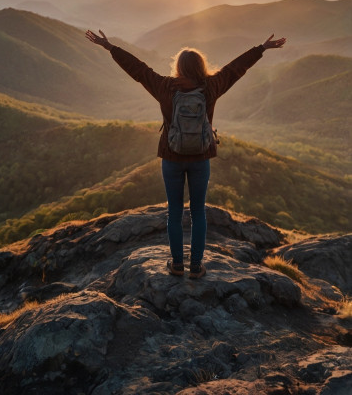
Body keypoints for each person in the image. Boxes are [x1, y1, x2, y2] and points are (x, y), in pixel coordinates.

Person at [85, 29, 286, 279]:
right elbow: (235, 69)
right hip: (201, 157)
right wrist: (261, 49)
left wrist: (110, 47)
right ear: (201, 66)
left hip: (171, 157)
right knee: (198, 211)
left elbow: (138, 69)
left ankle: (177, 264)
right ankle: (196, 267)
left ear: (178, 67)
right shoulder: (210, 87)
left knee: (175, 212)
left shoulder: (164, 86)